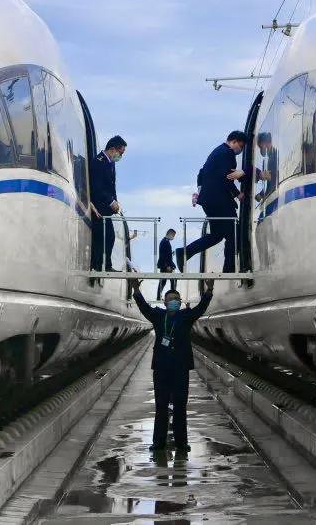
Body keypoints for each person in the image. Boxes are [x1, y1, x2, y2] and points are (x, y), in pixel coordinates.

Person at [129, 278, 213, 451]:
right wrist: (136, 290)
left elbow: (201, 308)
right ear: (165, 302)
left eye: (176, 299)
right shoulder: (158, 316)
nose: (173, 301)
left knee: (180, 405)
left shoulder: (186, 316)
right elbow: (144, 307)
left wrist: (209, 290)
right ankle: (158, 443)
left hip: (181, 368)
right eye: (170, 299)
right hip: (161, 368)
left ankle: (181, 443)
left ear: (180, 302)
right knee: (161, 405)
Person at [176, 130, 248, 273]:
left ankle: (185, 252)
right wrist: (238, 193)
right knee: (233, 234)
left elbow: (201, 173)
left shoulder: (216, 152)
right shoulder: (227, 153)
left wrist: (201, 191)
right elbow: (226, 177)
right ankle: (229, 270)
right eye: (240, 146)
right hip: (220, 201)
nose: (240, 150)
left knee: (217, 235)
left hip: (209, 202)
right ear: (233, 141)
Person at [90, 135, 127, 273]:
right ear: (112, 149)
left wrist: (115, 202)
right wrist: (110, 201)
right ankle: (100, 265)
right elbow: (96, 187)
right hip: (98, 206)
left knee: (109, 236)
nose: (120, 156)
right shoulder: (98, 162)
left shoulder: (110, 163)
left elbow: (111, 187)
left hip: (106, 208)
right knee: (104, 237)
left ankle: (105, 265)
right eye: (120, 153)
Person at [157, 228, 177, 300]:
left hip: (165, 265)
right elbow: (163, 255)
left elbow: (166, 254)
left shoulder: (164, 241)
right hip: (166, 265)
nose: (173, 237)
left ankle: (159, 297)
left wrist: (171, 253)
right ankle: (173, 296)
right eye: (173, 235)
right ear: (170, 234)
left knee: (164, 281)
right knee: (171, 281)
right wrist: (167, 265)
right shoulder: (165, 242)